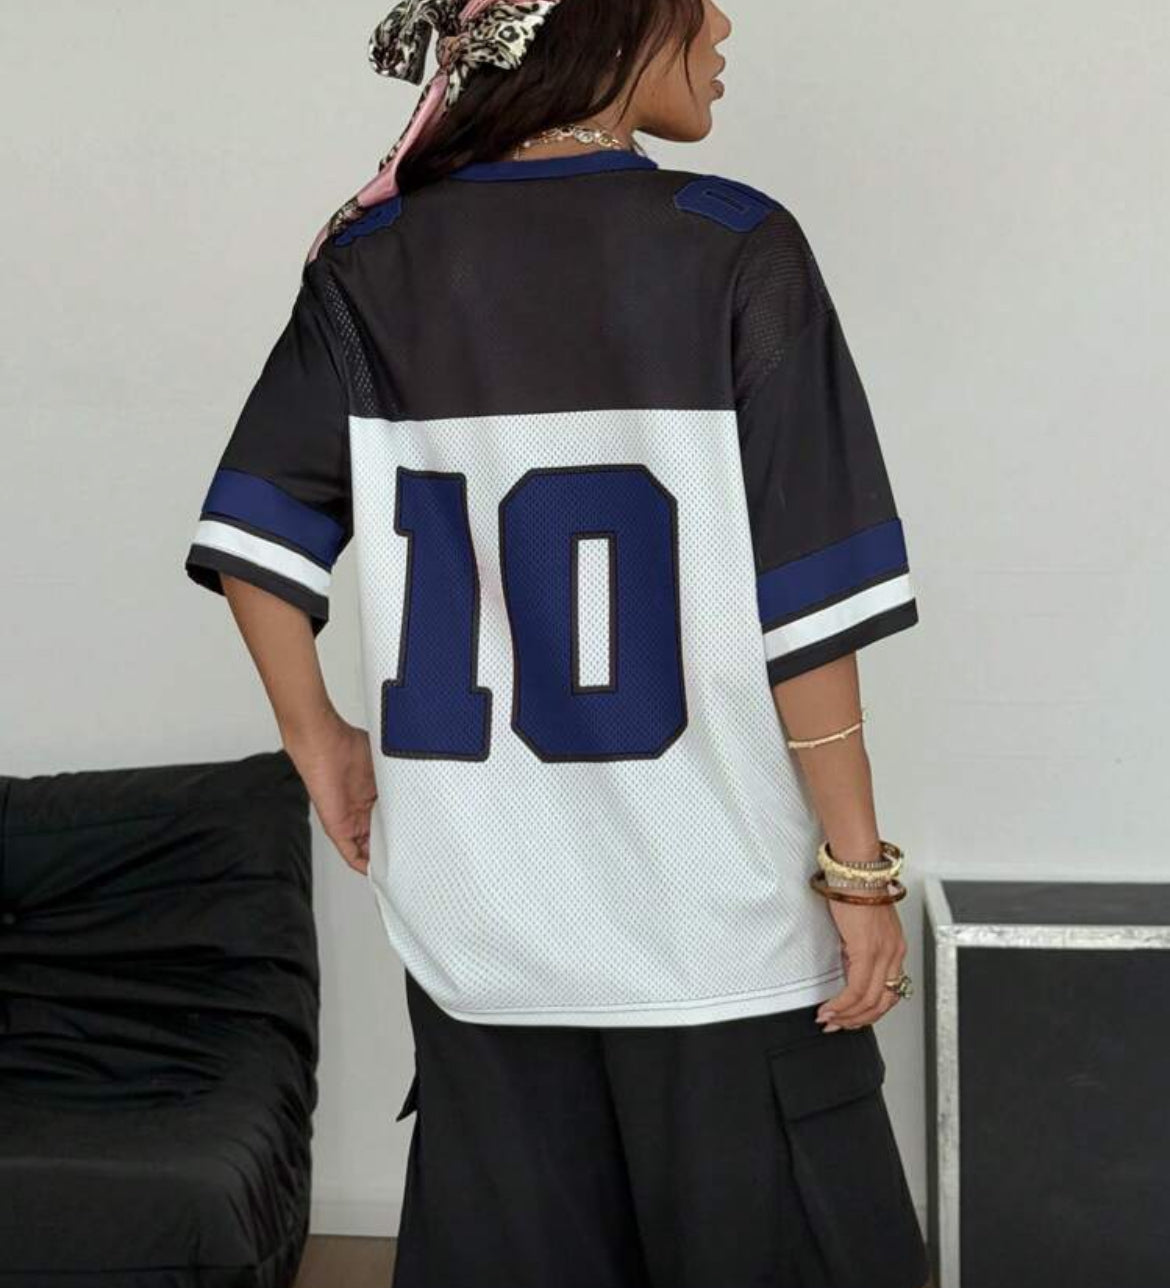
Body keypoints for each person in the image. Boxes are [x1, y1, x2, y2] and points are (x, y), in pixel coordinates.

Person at [184, 0, 931, 1284]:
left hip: (482, 942)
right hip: (720, 934)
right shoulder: (736, 249)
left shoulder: (375, 260)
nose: (722, 22)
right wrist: (858, 870)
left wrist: (319, 740)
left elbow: (255, 537)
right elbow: (807, 607)